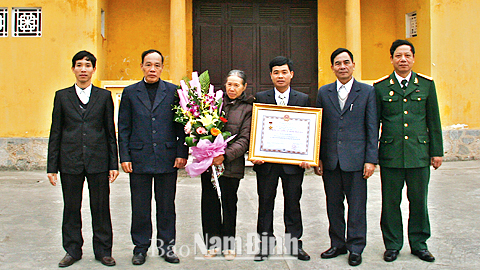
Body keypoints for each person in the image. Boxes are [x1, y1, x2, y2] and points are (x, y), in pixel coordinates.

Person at [47, 50, 119, 267]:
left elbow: (109, 131)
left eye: (87, 65)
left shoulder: (104, 97)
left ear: (94, 69)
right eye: (79, 65)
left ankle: (103, 251)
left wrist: (113, 163)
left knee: (101, 207)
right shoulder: (62, 96)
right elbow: (55, 131)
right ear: (73, 69)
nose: (83, 70)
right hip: (70, 161)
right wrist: (52, 166)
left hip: (98, 160)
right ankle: (72, 250)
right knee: (71, 207)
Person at [374, 39, 443, 263]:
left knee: (419, 202)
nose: (403, 60)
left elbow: (434, 121)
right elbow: (373, 124)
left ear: (413, 58)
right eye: (398, 56)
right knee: (391, 202)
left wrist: (437, 152)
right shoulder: (381, 87)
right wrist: (371, 157)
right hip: (391, 154)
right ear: (392, 59)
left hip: (419, 154)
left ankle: (419, 244)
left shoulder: (426, 85)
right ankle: (393, 244)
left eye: (407, 56)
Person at [117, 49, 188, 265]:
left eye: (157, 65)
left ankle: (167, 247)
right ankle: (140, 247)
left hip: (167, 157)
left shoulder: (173, 91)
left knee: (167, 206)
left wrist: (181, 153)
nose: (152, 69)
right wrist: (125, 156)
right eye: (148, 64)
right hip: (139, 158)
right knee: (140, 206)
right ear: (141, 66)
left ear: (162, 68)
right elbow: (124, 127)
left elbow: (181, 126)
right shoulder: (130, 92)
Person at [314, 48, 377, 266]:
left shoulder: (367, 91)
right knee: (334, 204)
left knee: (357, 206)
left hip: (357, 160)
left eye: (346, 62)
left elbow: (371, 127)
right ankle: (338, 244)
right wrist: (318, 157)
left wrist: (371, 159)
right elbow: (319, 127)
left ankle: (356, 247)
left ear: (353, 65)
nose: (342, 66)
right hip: (331, 160)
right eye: (338, 63)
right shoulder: (324, 92)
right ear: (332, 67)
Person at [252, 56, 311, 261]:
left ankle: (295, 244)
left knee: (293, 203)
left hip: (293, 164)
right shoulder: (260, 97)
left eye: (284, 72)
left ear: (291, 74)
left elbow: (308, 131)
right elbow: (255, 129)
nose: (280, 76)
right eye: (276, 72)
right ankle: (265, 244)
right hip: (266, 163)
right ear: (270, 75)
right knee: (265, 202)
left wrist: (308, 156)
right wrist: (255, 153)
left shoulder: (302, 99)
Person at [201, 70, 254, 261]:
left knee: (229, 204)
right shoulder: (213, 103)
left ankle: (229, 244)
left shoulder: (248, 109)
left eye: (237, 85)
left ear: (244, 87)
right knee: (209, 203)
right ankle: (212, 244)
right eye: (229, 84)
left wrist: (224, 155)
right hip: (209, 164)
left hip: (231, 165)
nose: (232, 88)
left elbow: (244, 139)